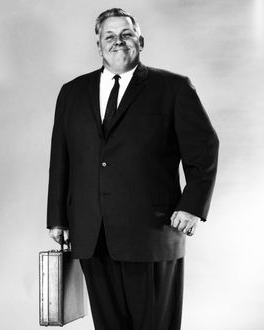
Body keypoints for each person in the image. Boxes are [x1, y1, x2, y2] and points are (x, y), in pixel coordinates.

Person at [47, 8, 219, 330]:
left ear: (141, 40)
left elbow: (205, 149)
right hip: (91, 233)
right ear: (98, 45)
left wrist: (192, 206)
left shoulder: (173, 88)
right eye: (109, 36)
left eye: (126, 34)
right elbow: (61, 158)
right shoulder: (71, 93)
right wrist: (57, 218)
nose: (118, 42)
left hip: (151, 233)